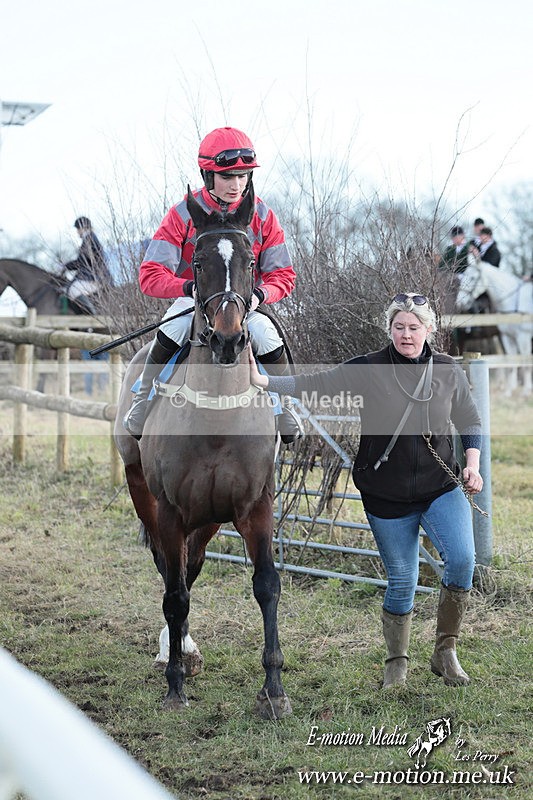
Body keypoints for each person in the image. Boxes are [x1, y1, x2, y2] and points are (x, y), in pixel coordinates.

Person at [249, 292, 483, 689]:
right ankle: (397, 663)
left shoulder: (446, 369)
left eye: (413, 327)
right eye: (398, 327)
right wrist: (263, 380)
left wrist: (473, 466)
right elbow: (315, 383)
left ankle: (446, 652)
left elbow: (469, 419)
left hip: (441, 486)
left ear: (429, 329)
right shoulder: (369, 368)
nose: (406, 334)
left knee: (462, 560)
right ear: (389, 329)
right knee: (403, 579)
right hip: (386, 495)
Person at [123, 126, 303, 443]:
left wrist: (261, 295)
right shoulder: (181, 214)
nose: (237, 185)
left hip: (245, 304)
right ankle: (142, 400)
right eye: (228, 177)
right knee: (172, 326)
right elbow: (150, 274)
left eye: (243, 176)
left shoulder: (262, 215)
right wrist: (187, 289)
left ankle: (286, 408)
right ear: (208, 175)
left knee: (265, 333)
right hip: (197, 300)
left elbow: (283, 275)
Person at [63, 217, 112, 313]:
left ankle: (93, 317)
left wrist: (66, 266)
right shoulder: (89, 238)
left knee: (74, 290)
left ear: (82, 227)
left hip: (97, 277)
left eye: (78, 229)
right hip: (93, 276)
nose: (77, 232)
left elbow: (83, 261)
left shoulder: (89, 239)